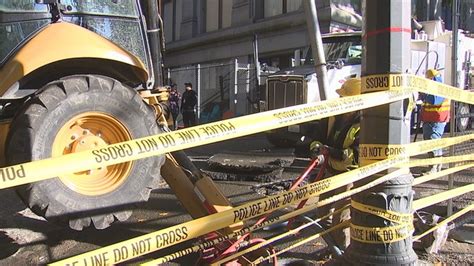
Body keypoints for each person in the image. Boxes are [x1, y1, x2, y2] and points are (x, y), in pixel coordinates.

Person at [309, 78, 361, 250]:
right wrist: (317, 148)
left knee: (340, 220)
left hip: (348, 176)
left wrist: (331, 151)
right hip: (330, 172)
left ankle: (344, 255)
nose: (341, 100)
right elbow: (317, 137)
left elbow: (355, 157)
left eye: (345, 97)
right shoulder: (333, 116)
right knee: (322, 214)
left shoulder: (364, 124)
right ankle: (333, 249)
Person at [420, 69, 450, 173]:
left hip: (437, 121)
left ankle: (434, 166)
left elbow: (433, 100)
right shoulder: (431, 89)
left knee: (433, 141)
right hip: (429, 120)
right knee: (429, 142)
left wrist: (422, 93)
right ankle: (434, 165)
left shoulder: (439, 89)